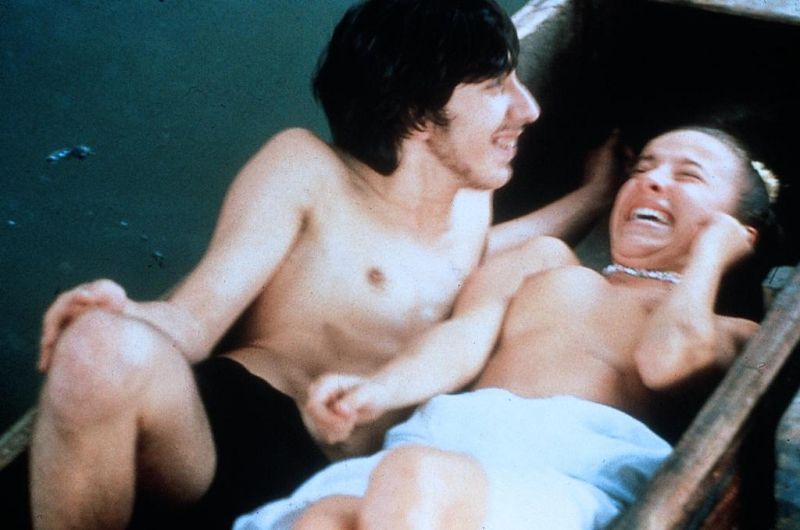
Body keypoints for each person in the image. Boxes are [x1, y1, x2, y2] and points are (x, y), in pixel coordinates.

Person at [28, 1, 617, 529]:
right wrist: (124, 314)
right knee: (99, 347)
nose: (528, 108)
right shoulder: (308, 172)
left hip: (349, 487)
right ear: (418, 114)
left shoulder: (470, 206)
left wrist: (594, 198)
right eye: (494, 86)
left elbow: (474, 259)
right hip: (230, 433)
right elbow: (197, 316)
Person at [234, 125, 781, 530]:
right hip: (442, 439)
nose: (652, 181)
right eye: (642, 169)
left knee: (418, 480)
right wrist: (381, 389)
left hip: (564, 481)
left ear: (738, 231)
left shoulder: (733, 332)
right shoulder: (545, 260)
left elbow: (667, 360)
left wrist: (712, 254)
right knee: (324, 519)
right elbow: (462, 339)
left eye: (687, 176)